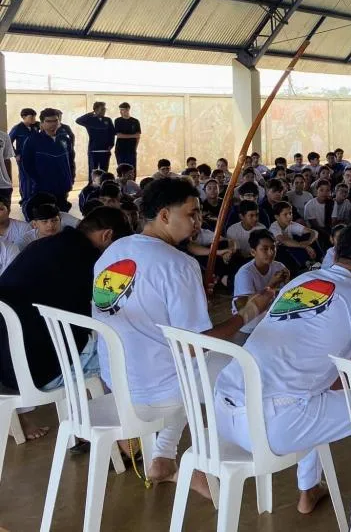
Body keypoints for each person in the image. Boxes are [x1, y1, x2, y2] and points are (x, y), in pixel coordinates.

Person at [216, 207, 351, 515]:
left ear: (336, 253)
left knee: (310, 391)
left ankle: (309, 489)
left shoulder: (301, 282)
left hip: (225, 413)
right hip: (271, 426)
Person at [93, 178, 274, 486]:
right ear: (164, 215)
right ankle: (205, 460)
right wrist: (250, 311)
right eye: (191, 214)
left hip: (116, 377)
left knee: (188, 368)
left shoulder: (114, 250)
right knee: (243, 370)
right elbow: (195, 345)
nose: (197, 222)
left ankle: (163, 458)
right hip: (153, 388)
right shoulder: (179, 264)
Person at [0, 207, 131, 440]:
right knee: (121, 355)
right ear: (107, 236)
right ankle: (116, 436)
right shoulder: (90, 260)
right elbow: (107, 314)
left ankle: (82, 427)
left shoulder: (41, 246)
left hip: (6, 368)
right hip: (39, 370)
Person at [20, 108, 73, 211]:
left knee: (62, 215)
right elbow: (27, 164)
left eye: (55, 121)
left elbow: (70, 161)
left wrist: (69, 179)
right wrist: (38, 181)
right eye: (48, 121)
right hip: (43, 188)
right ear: (42, 123)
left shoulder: (64, 138)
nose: (53, 124)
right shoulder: (32, 140)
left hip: (63, 186)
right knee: (47, 217)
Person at [74, 102, 116, 174]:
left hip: (105, 150)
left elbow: (112, 133)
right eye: (102, 109)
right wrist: (91, 114)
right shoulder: (89, 120)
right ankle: (92, 185)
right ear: (96, 110)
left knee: (104, 173)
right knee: (93, 173)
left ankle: (104, 185)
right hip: (93, 150)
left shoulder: (108, 120)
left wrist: (111, 145)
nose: (104, 110)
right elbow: (78, 120)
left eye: (105, 109)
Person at [9, 108, 38, 206]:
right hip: (23, 158)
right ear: (24, 117)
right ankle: (26, 201)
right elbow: (8, 141)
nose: (34, 118)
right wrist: (15, 154)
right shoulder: (17, 128)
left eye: (34, 116)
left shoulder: (35, 127)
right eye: (31, 117)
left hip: (35, 157)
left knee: (35, 178)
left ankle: (34, 198)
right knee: (26, 179)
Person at [113, 102, 141, 170]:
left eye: (122, 109)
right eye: (120, 110)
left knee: (132, 169)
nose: (120, 111)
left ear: (128, 109)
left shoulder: (135, 121)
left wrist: (135, 148)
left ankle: (132, 181)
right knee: (122, 169)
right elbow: (119, 135)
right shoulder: (117, 121)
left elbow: (138, 136)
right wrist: (133, 135)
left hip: (131, 150)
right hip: (120, 149)